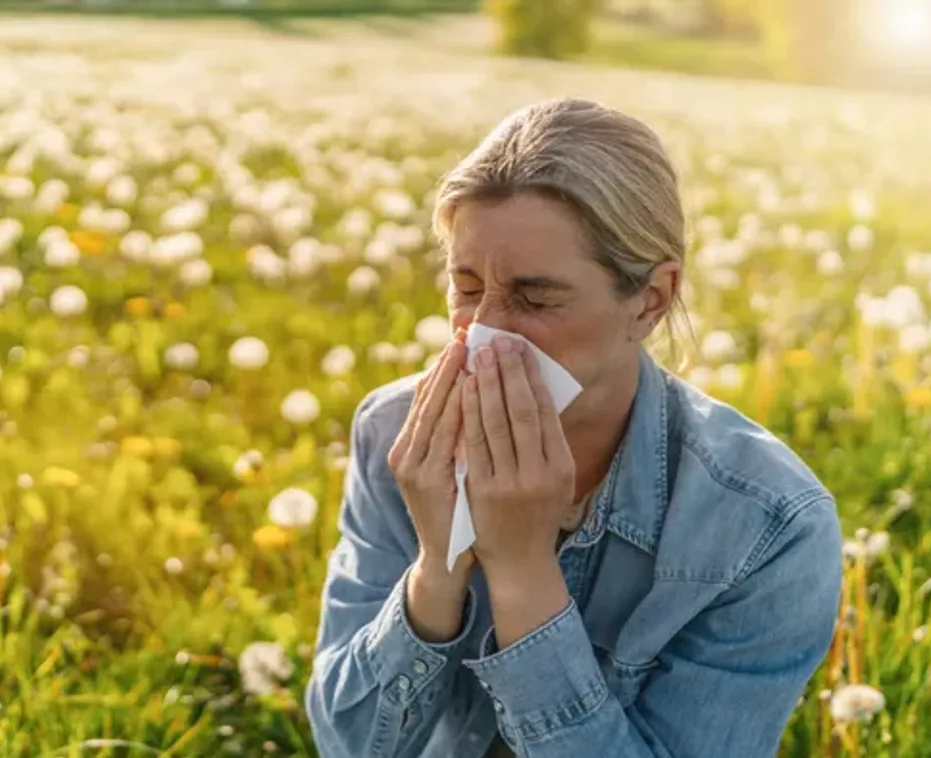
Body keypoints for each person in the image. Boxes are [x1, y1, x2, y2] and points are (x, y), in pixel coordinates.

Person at [304, 98, 843, 758]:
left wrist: (524, 572)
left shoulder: (766, 526)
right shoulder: (397, 433)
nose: (487, 330)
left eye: (535, 298)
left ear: (650, 300)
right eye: (466, 287)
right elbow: (350, 745)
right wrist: (436, 569)